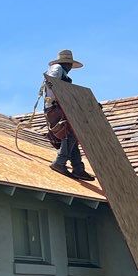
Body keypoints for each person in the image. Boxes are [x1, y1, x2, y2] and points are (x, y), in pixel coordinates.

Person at [41, 49, 94, 181]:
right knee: (69, 133)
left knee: (72, 135)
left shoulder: (61, 71)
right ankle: (60, 162)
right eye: (70, 65)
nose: (71, 68)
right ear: (68, 64)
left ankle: (78, 168)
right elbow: (51, 81)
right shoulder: (57, 68)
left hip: (57, 107)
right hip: (55, 107)